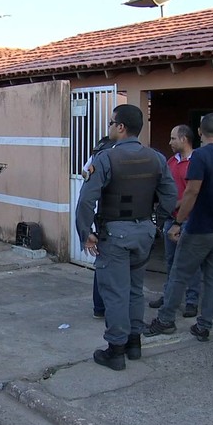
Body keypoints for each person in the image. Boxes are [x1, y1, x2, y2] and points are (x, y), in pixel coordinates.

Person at [75, 104, 177, 371]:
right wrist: (158, 222)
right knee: (134, 290)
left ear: (120, 127)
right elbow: (170, 196)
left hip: (115, 235)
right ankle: (134, 343)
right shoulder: (156, 157)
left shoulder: (105, 159)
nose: (109, 128)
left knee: (115, 292)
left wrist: (86, 234)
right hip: (143, 232)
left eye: (111, 123)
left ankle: (116, 350)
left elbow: (86, 201)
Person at [145, 113, 213, 341]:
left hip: (200, 226)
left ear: (199, 132)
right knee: (212, 277)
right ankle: (204, 324)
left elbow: (192, 191)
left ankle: (165, 319)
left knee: (179, 272)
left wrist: (178, 222)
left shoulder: (199, 156)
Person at [149, 125, 202, 318]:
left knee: (190, 263)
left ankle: (191, 301)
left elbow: (194, 193)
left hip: (189, 220)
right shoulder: (171, 161)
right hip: (171, 219)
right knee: (170, 261)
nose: (170, 142)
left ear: (184, 139)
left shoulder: (195, 162)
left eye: (173, 138)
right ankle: (170, 296)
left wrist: (176, 204)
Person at [81, 136, 116, 319]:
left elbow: (85, 173)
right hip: (113, 218)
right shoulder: (113, 148)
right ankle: (102, 307)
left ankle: (100, 307)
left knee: (103, 265)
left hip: (105, 216)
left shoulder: (102, 147)